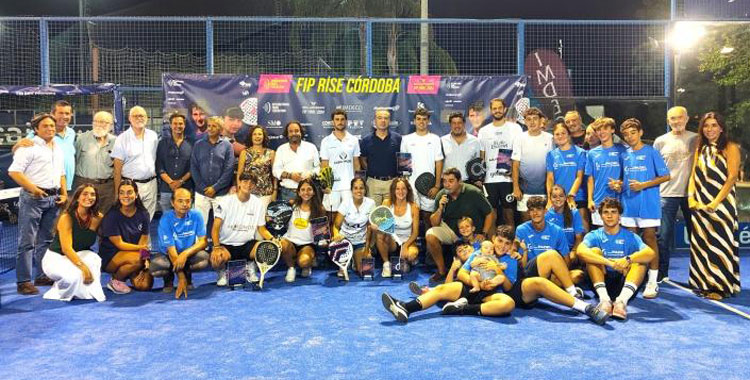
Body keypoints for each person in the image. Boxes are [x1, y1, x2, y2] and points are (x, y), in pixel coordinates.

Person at [381, 225, 608, 325]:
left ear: (511, 246)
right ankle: (406, 307)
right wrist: (473, 281)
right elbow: (462, 272)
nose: (501, 246)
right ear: (494, 239)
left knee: (508, 303)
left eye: (506, 243)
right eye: (499, 241)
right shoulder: (479, 252)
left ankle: (584, 307)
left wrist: (497, 273)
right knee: (442, 289)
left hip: (495, 294)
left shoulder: (510, 259)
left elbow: (508, 287)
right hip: (473, 289)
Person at [8, 114, 68, 294]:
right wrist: (33, 189)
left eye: (52, 125)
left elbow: (61, 174)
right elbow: (14, 172)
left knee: (46, 240)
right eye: (45, 126)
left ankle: (42, 275)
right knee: (27, 242)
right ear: (36, 129)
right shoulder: (28, 146)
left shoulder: (57, 147)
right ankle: (23, 281)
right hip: (33, 199)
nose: (50, 128)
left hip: (53, 199)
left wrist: (64, 194)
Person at [687, 112, 741, 300]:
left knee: (720, 243)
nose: (709, 129)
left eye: (713, 125)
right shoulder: (700, 147)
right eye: (706, 125)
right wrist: (691, 198)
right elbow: (694, 173)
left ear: (721, 127)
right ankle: (703, 283)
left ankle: (720, 286)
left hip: (721, 205)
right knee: (701, 243)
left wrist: (715, 203)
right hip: (700, 204)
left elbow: (732, 177)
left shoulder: (730, 147)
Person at [577, 198, 655, 320]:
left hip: (624, 283)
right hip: (602, 281)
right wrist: (610, 263)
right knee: (593, 252)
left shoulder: (630, 236)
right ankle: (605, 301)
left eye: (613, 212)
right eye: (606, 212)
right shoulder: (594, 235)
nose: (610, 216)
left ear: (619, 215)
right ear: (601, 216)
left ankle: (621, 302)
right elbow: (580, 251)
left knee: (639, 259)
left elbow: (650, 253)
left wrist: (628, 259)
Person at [619, 118, 670, 299]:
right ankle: (635, 278)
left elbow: (665, 176)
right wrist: (620, 185)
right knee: (632, 242)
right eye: (626, 134)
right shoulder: (624, 155)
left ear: (640, 132)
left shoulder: (651, 152)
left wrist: (644, 185)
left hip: (648, 203)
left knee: (649, 239)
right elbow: (625, 179)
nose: (629, 137)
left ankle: (652, 281)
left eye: (633, 133)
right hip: (628, 203)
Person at [653, 106, 698, 281]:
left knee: (698, 236)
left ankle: (699, 273)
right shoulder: (660, 141)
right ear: (668, 121)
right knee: (663, 237)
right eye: (673, 118)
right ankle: (662, 273)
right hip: (666, 194)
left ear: (686, 119)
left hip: (692, 195)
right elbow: (655, 170)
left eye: (680, 117)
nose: (677, 121)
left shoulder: (697, 139)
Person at [41, 184, 105, 302]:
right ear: (77, 198)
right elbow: (67, 249)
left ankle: (85, 292)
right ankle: (58, 290)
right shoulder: (66, 217)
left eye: (92, 194)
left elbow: (107, 237)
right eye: (85, 194)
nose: (89, 197)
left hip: (78, 255)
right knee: (74, 277)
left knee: (95, 259)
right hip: (56, 258)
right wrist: (84, 269)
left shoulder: (98, 218)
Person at [426, 168, 493, 282]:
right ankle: (442, 271)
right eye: (445, 181)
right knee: (430, 234)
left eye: (451, 181)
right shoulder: (442, 194)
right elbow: (434, 223)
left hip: (471, 231)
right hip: (451, 230)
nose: (447, 184)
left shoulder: (473, 192)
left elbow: (490, 213)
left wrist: (484, 233)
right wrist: (440, 208)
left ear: (459, 181)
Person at [210, 173, 273, 286]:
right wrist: (216, 247)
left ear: (254, 186)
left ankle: (250, 267)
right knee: (216, 258)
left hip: (247, 245)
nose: (248, 185)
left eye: (251, 183)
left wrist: (273, 240)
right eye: (245, 181)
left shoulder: (258, 203)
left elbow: (262, 229)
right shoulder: (225, 202)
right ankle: (222, 272)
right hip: (226, 245)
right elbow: (215, 228)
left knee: (264, 249)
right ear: (239, 183)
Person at [515, 196, 583, 299]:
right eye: (532, 210)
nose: (535, 213)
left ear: (545, 211)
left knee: (578, 275)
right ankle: (572, 292)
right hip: (529, 272)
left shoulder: (557, 230)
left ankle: (549, 288)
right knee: (551, 254)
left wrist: (557, 274)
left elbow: (566, 259)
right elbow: (520, 264)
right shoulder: (521, 230)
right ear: (528, 213)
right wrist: (524, 250)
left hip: (550, 273)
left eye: (539, 209)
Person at [150, 188, 209, 299]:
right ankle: (169, 280)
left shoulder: (196, 215)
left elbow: (203, 241)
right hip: (168, 255)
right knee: (157, 267)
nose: (184, 204)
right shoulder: (165, 219)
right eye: (180, 201)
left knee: (204, 258)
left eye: (187, 201)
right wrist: (181, 279)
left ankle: (188, 276)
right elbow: (171, 252)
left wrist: (185, 254)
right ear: (172, 202)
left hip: (187, 254)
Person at [99, 179, 151, 294]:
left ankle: (127, 271)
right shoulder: (112, 215)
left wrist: (146, 259)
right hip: (110, 257)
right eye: (122, 193)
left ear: (136, 194)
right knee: (138, 260)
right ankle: (116, 280)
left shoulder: (143, 214)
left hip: (132, 254)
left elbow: (144, 242)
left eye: (129, 192)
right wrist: (141, 252)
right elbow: (120, 244)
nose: (125, 196)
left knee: (144, 285)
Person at [477, 98, 524, 227]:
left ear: (504, 109)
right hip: (489, 180)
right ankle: (491, 245)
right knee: (491, 215)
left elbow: (519, 154)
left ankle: (511, 245)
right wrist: (480, 178)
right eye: (494, 108)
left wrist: (515, 176)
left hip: (508, 180)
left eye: (499, 108)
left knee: (509, 215)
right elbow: (482, 157)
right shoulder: (483, 131)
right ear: (491, 110)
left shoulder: (515, 128)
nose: (497, 111)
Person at [13, 100, 76, 192]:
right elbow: (19, 151)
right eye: (60, 113)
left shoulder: (71, 133)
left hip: (67, 186)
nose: (64, 116)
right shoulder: (36, 134)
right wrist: (17, 145)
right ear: (52, 114)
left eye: (67, 113)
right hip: (45, 188)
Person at [111, 106, 159, 219]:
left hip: (151, 184)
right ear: (129, 118)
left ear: (146, 118)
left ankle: (145, 237)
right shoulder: (122, 138)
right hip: (130, 185)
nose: (139, 118)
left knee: (148, 219)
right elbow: (117, 169)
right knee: (130, 219)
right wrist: (118, 193)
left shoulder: (153, 136)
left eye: (141, 116)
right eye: (135, 116)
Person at [190, 116, 235, 227]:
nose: (210, 128)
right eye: (209, 126)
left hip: (220, 193)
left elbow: (229, 170)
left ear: (220, 129)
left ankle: (219, 245)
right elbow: (194, 167)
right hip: (202, 192)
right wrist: (203, 187)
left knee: (221, 225)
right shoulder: (198, 145)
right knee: (200, 225)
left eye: (214, 126)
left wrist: (215, 188)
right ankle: (200, 245)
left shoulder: (227, 146)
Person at [512, 107, 554, 221]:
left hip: (545, 191)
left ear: (541, 121)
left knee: (545, 223)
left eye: (535, 119)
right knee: (527, 224)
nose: (532, 122)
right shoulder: (519, 138)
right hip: (525, 190)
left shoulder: (550, 139)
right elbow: (515, 165)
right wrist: (515, 187)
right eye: (528, 119)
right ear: (525, 122)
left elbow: (553, 166)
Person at [281, 178, 326, 283]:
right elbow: (277, 216)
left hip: (307, 244)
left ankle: (307, 263)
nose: (306, 192)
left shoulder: (320, 209)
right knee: (282, 244)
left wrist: (323, 241)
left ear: (314, 192)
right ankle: (291, 268)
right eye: (303, 190)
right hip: (290, 241)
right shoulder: (292, 205)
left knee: (304, 261)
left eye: (309, 189)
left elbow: (321, 232)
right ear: (298, 192)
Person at [546, 121, 589, 231]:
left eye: (563, 133)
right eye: (557, 134)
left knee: (582, 229)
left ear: (569, 135)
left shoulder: (580, 153)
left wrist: (571, 196)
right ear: (554, 137)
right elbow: (550, 178)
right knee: (561, 230)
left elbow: (579, 177)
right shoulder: (551, 155)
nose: (560, 136)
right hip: (558, 198)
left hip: (577, 197)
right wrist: (550, 199)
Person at [72, 111, 117, 214]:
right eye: (97, 121)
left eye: (104, 122)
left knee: (104, 219)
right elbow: (75, 160)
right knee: (83, 217)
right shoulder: (81, 138)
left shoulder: (116, 141)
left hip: (107, 188)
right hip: (84, 184)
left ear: (111, 125)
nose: (100, 125)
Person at [375, 177, 420, 278]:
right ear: (393, 190)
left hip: (408, 241)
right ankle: (386, 264)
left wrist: (405, 246)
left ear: (408, 190)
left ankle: (404, 260)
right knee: (380, 234)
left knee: (411, 255)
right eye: (397, 189)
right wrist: (376, 226)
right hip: (392, 242)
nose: (401, 191)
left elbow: (415, 233)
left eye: (403, 188)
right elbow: (382, 225)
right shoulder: (386, 203)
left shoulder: (414, 207)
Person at [585, 117, 626, 227]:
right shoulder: (592, 154)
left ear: (612, 130)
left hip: (620, 201)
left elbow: (628, 174)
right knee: (601, 237)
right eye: (598, 130)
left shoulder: (623, 150)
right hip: (599, 200)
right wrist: (590, 200)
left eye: (605, 128)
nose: (601, 132)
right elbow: (590, 178)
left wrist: (620, 184)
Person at [320, 109, 361, 214]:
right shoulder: (326, 141)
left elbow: (356, 162)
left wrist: (358, 181)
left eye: (342, 119)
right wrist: (326, 185)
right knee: (331, 214)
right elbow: (324, 165)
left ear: (346, 121)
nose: (340, 122)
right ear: (333, 122)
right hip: (332, 186)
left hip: (349, 185)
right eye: (337, 119)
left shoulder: (353, 140)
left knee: (350, 214)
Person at [332, 177, 375, 276]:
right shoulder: (345, 203)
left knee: (365, 271)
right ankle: (346, 260)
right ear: (351, 190)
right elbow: (336, 226)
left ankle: (355, 260)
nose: (358, 191)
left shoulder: (371, 203)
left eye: (361, 188)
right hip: (345, 241)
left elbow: (369, 229)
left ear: (365, 190)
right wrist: (336, 235)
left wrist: (367, 249)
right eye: (355, 188)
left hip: (360, 242)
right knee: (341, 273)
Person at [360, 109, 401, 205]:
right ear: (375, 121)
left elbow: (402, 160)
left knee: (390, 215)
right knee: (373, 215)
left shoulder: (398, 139)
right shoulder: (366, 140)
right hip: (373, 183)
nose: (383, 121)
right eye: (380, 118)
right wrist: (374, 171)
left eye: (386, 118)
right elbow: (363, 160)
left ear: (389, 121)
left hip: (392, 182)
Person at [272, 121, 321, 202]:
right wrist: (291, 176)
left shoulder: (311, 147)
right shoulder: (281, 149)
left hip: (308, 192)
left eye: (296, 131)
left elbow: (318, 168)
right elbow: (275, 171)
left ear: (301, 132)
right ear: (287, 134)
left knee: (309, 215)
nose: (294, 133)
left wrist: (310, 174)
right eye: (290, 131)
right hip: (288, 193)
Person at [156, 112, 193, 212]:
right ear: (171, 125)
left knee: (185, 220)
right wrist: (171, 182)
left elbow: (193, 167)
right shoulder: (162, 143)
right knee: (167, 219)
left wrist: (181, 181)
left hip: (185, 188)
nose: (178, 126)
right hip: (166, 189)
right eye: (175, 123)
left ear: (184, 125)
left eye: (180, 124)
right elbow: (159, 165)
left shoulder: (192, 144)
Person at [236, 125, 276, 209]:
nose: (257, 136)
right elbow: (239, 173)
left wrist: (275, 191)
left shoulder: (271, 153)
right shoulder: (244, 153)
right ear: (251, 137)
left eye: (260, 134)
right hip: (248, 193)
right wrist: (239, 189)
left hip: (266, 194)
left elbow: (274, 175)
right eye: (254, 134)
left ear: (264, 136)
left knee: (262, 220)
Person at [441, 111, 481, 184]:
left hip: (469, 183)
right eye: (454, 123)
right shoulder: (442, 141)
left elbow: (478, 163)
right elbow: (438, 163)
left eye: (459, 123)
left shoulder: (475, 141)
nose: (457, 126)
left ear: (464, 124)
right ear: (450, 124)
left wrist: (478, 179)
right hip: (448, 184)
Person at [545, 185, 585, 258]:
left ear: (565, 198)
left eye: (561, 196)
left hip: (571, 251)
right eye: (554, 197)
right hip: (555, 252)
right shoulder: (547, 215)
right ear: (550, 199)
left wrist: (573, 251)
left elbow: (579, 237)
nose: (558, 199)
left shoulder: (574, 213)